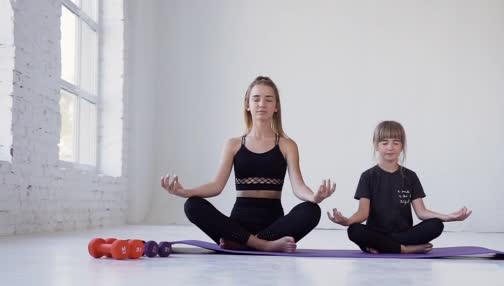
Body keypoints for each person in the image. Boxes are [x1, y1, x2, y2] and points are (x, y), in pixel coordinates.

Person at [161, 76, 335, 253]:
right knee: (192, 205)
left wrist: (314, 197)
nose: (262, 104)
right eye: (256, 98)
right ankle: (263, 245)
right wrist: (186, 192)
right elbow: (216, 186)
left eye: (269, 99)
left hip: (273, 226)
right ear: (247, 105)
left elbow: (298, 186)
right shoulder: (233, 144)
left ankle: (248, 243)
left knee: (312, 210)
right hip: (238, 225)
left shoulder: (287, 145)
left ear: (276, 107)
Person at [327, 120, 471, 254]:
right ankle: (404, 250)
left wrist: (448, 217)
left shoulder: (410, 176)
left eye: (396, 142)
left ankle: (383, 246)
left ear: (402, 146)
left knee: (436, 225)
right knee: (354, 230)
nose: (390, 147)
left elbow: (421, 212)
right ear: (376, 145)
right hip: (376, 232)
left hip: (404, 234)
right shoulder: (368, 176)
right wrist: (347, 221)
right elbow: (363, 213)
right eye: (385, 142)